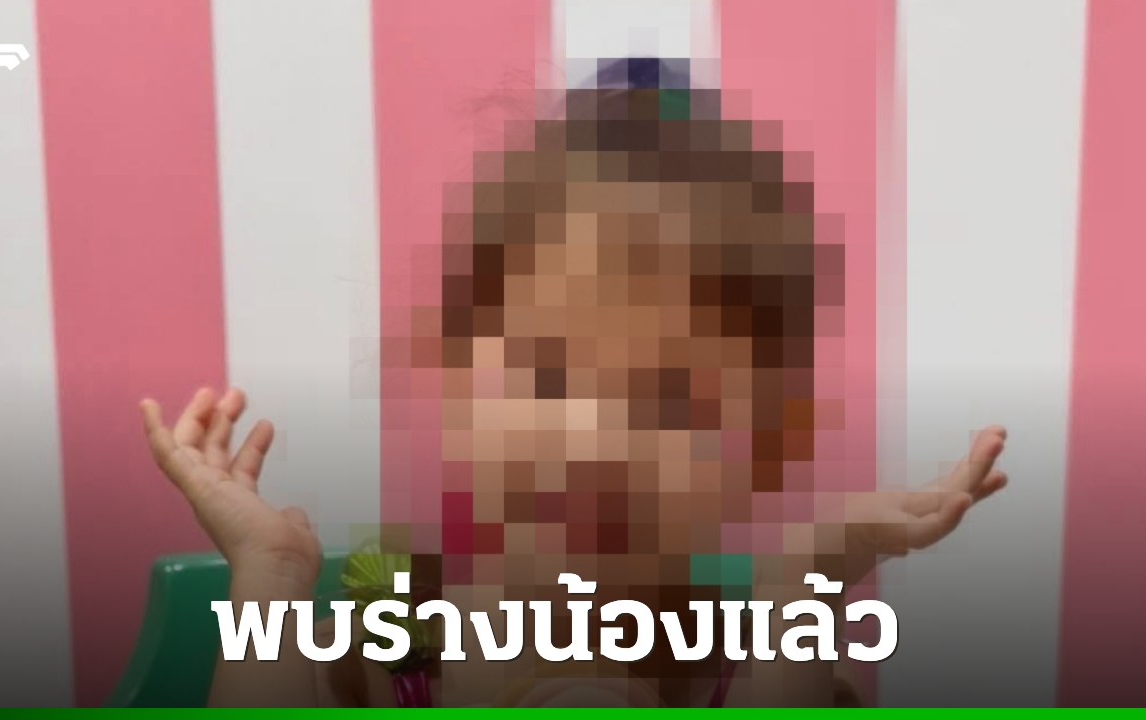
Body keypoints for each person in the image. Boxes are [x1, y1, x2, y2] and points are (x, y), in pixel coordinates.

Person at [139, 59, 1009, 707]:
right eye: (549, 373)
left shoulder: (752, 666)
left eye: (671, 401)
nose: (600, 437)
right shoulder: (387, 637)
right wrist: (272, 576)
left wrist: (799, 586)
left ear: (758, 449)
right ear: (452, 375)